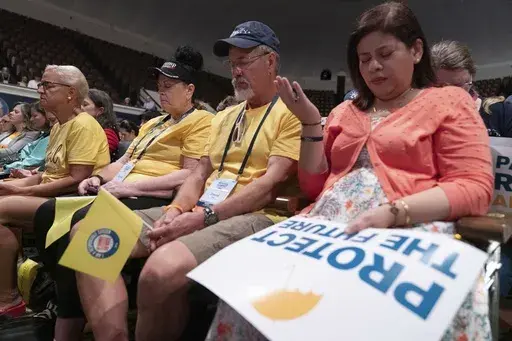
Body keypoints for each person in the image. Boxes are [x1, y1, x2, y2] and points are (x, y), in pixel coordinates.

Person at [206, 3, 493, 341]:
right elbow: (313, 186)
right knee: (252, 298)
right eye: (364, 58)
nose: (373, 66)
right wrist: (311, 122)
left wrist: (395, 212)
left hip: (409, 229)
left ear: (416, 50)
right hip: (326, 230)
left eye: (385, 54)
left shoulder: (449, 102)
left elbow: (475, 188)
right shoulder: (345, 111)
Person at [68, 21, 301, 341]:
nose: (235, 71)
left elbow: (269, 185)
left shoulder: (291, 111)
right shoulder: (224, 117)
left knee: (159, 270)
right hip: (203, 208)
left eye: (243, 62)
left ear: (271, 61)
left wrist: (203, 216)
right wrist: (177, 210)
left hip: (256, 214)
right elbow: (200, 173)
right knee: (89, 234)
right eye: (232, 64)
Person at [33, 46, 213, 339]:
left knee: (78, 221)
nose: (161, 93)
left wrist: (129, 186)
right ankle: (73, 302)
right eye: (159, 87)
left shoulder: (202, 121)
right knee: (46, 213)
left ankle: (72, 316)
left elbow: (190, 173)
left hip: (155, 194)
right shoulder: (154, 122)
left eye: (169, 87)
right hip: (123, 188)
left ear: (190, 89)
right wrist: (97, 177)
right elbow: (125, 162)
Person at [0, 65, 110, 318]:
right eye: (41, 84)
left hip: (74, 200)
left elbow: (76, 179)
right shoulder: (60, 125)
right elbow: (45, 173)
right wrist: (11, 186)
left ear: (71, 93)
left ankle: (9, 298)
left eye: (48, 85)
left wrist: (25, 194)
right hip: (52, 193)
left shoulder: (83, 125)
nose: (41, 90)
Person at [431, 40, 512, 137]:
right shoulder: (423, 118)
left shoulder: (502, 112)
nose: (450, 94)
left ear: (472, 76)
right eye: (441, 87)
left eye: (457, 85)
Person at [3, 101, 55, 175]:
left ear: (46, 116)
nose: (31, 119)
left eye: (35, 116)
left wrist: (6, 167)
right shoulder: (42, 135)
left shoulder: (44, 137)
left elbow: (31, 162)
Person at [82, 88, 120, 154]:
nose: (80, 107)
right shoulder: (83, 127)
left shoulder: (108, 134)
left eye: (85, 105)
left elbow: (90, 157)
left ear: (100, 111)